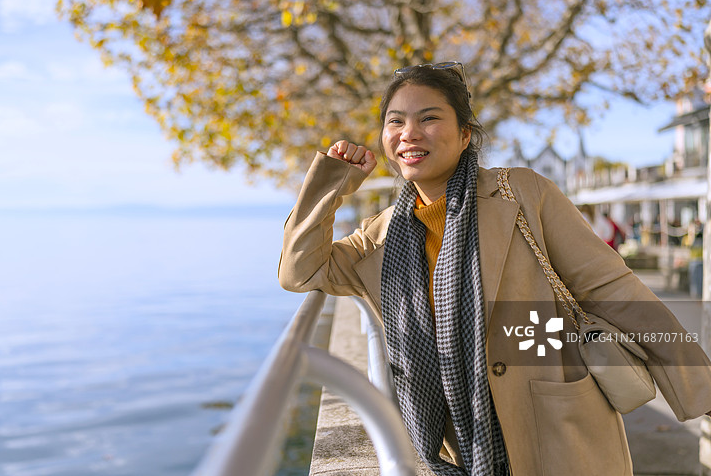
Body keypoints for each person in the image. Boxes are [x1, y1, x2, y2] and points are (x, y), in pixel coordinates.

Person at [278, 62, 711, 476]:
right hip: (455, 451)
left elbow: (613, 289)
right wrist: (334, 179)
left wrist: (699, 385)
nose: (409, 133)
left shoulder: (522, 193)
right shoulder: (379, 237)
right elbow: (300, 271)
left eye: (429, 118)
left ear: (465, 135)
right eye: (395, 122)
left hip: (557, 426)